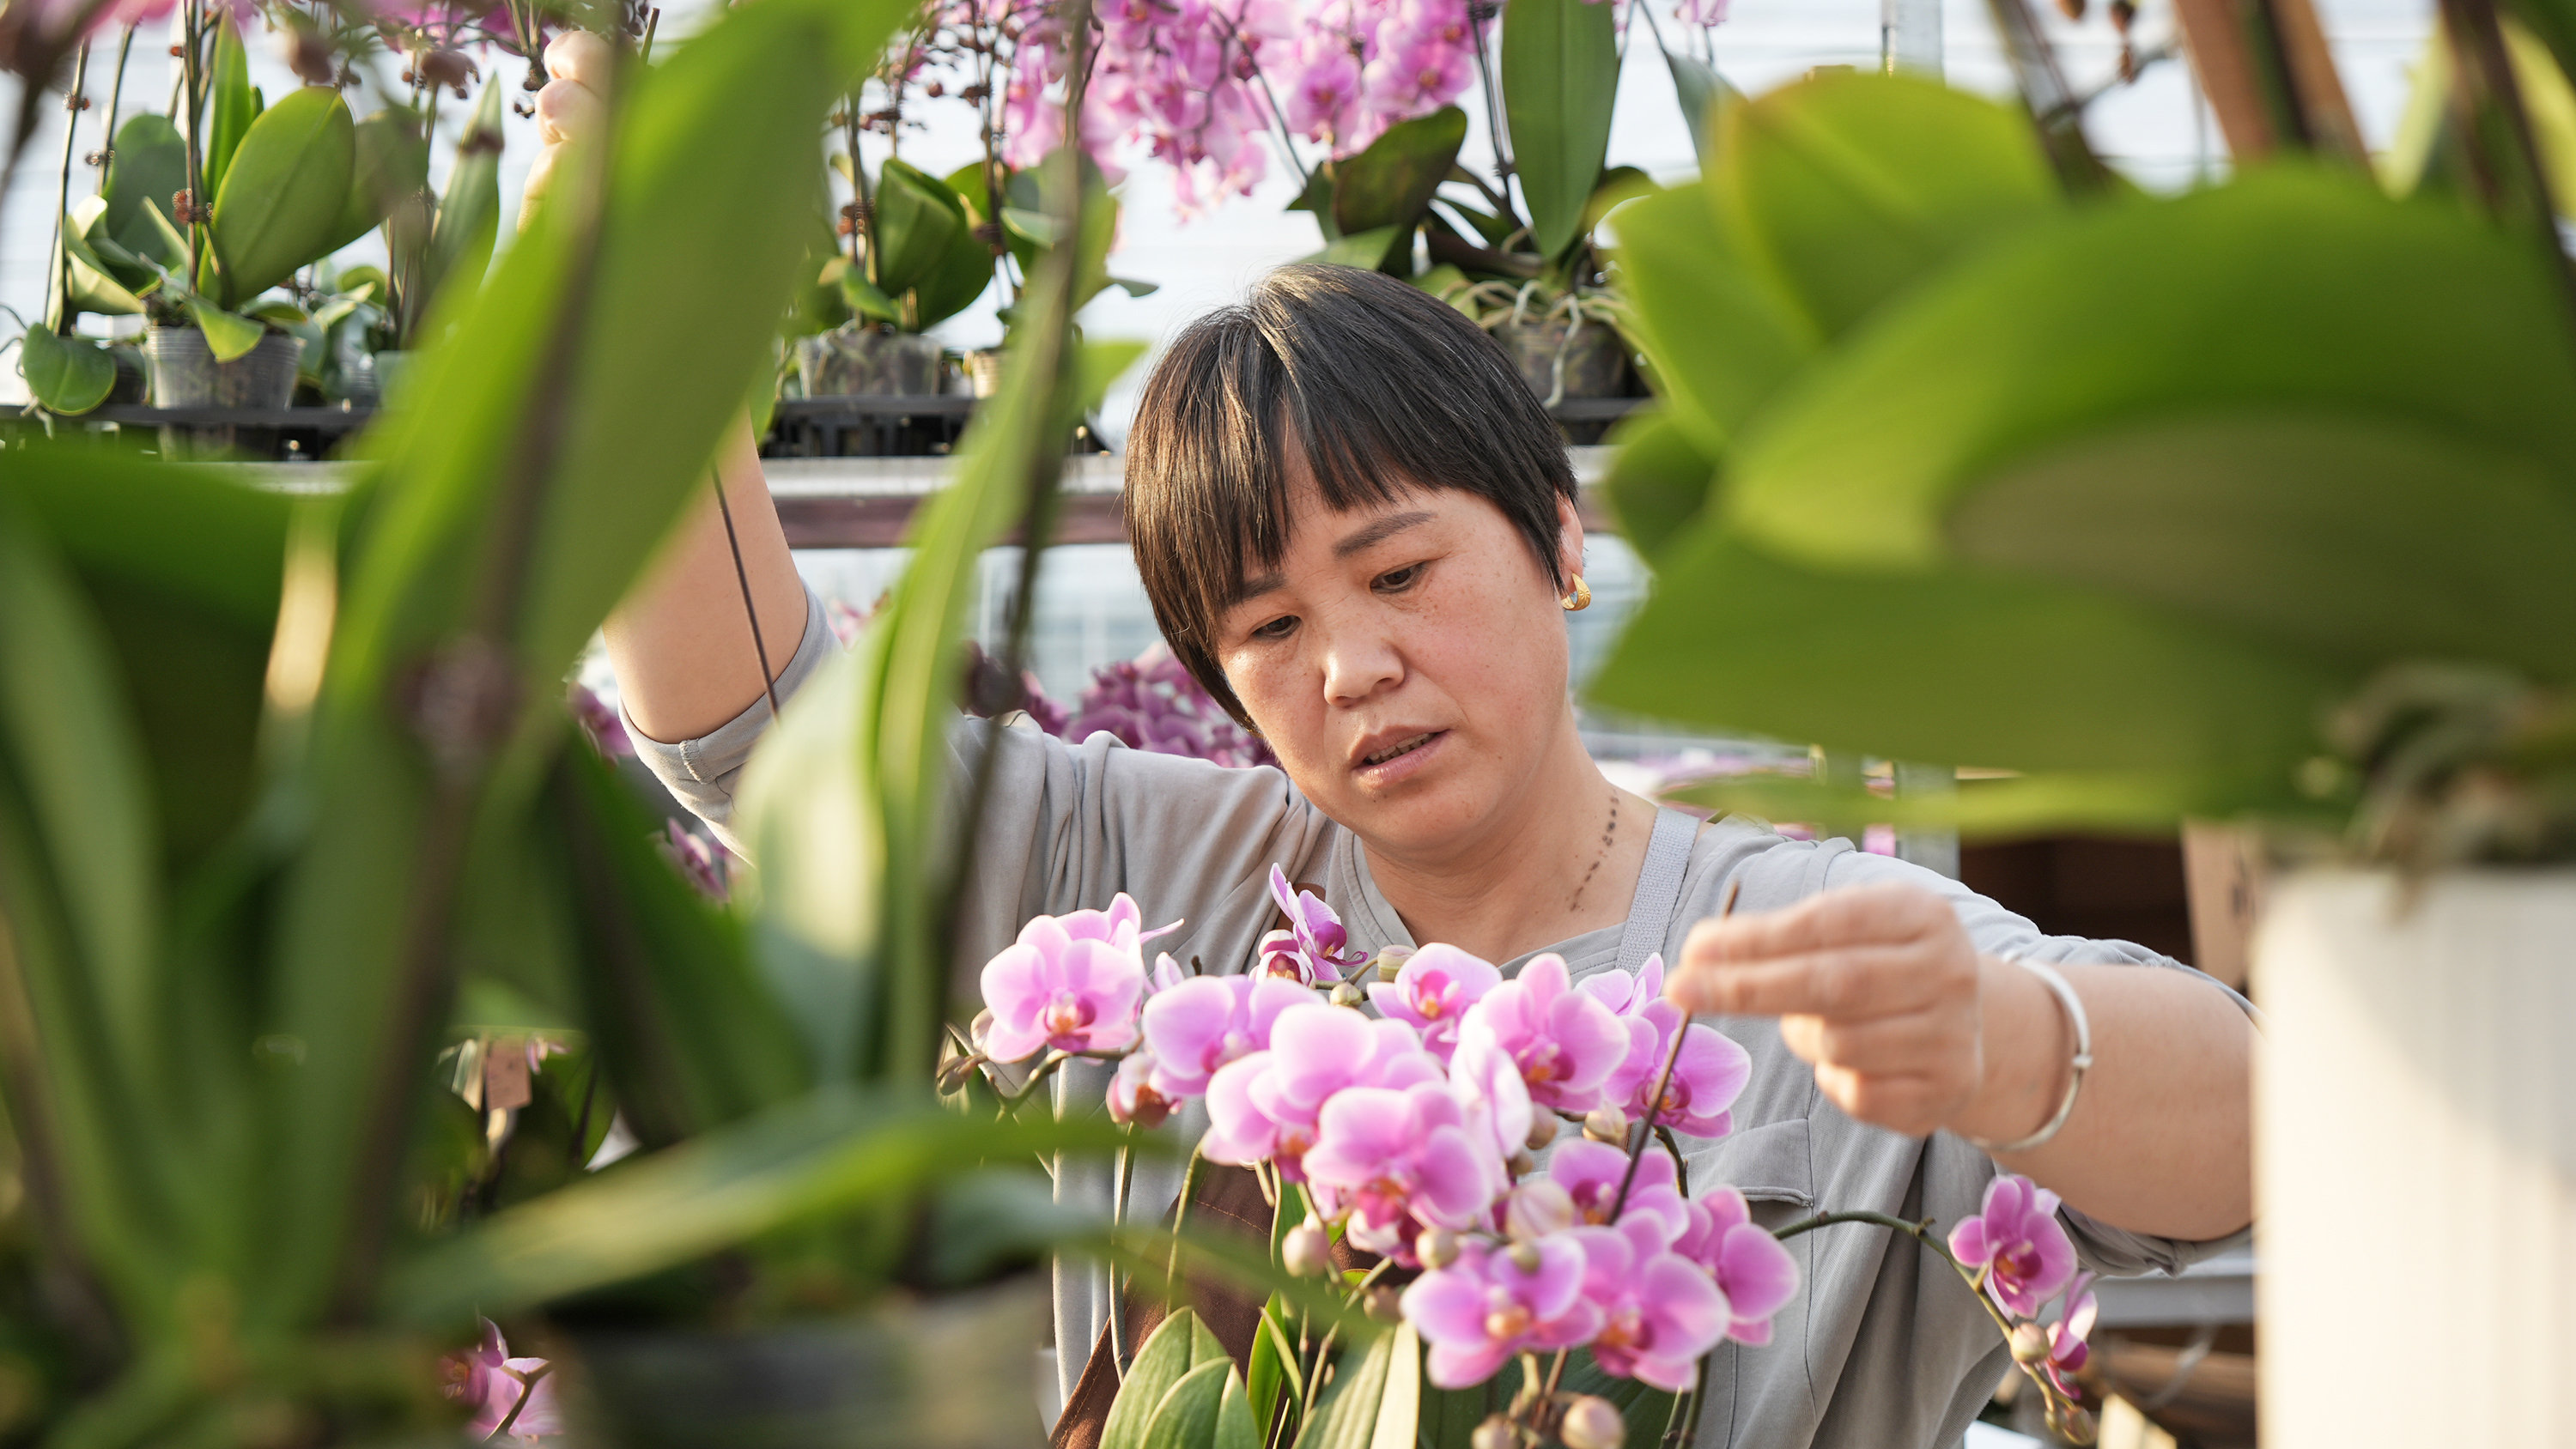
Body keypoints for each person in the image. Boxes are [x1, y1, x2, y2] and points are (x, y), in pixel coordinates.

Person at [534, 41, 2253, 1449]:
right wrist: (642, 314)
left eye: (1402, 572)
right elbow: (764, 738)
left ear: (1560, 542)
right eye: (1269, 629)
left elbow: (2258, 1136)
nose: (1354, 666)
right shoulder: (1133, 881)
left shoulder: (1799, 954)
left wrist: (2007, 1049)